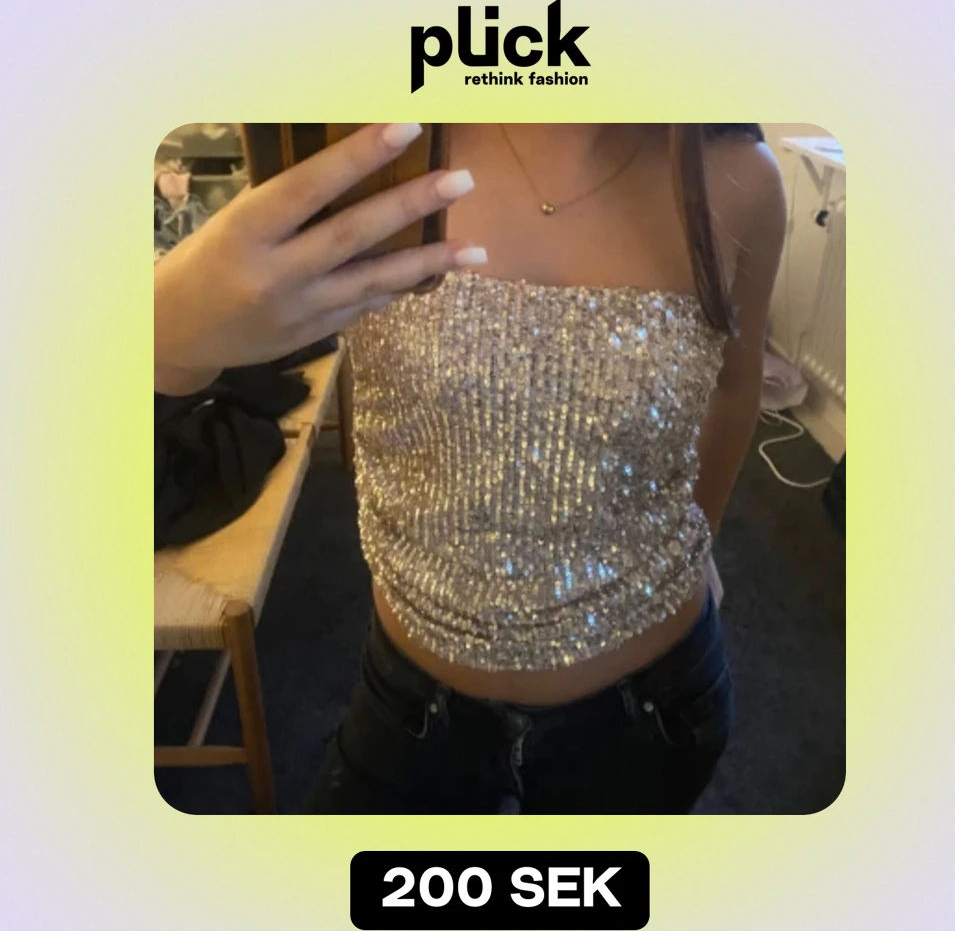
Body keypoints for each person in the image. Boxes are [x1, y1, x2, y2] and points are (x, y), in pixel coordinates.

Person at [154, 122, 787, 814]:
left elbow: (733, 386)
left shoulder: (741, 179)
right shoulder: (365, 149)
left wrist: (699, 534)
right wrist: (162, 341)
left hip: (649, 707)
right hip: (408, 696)